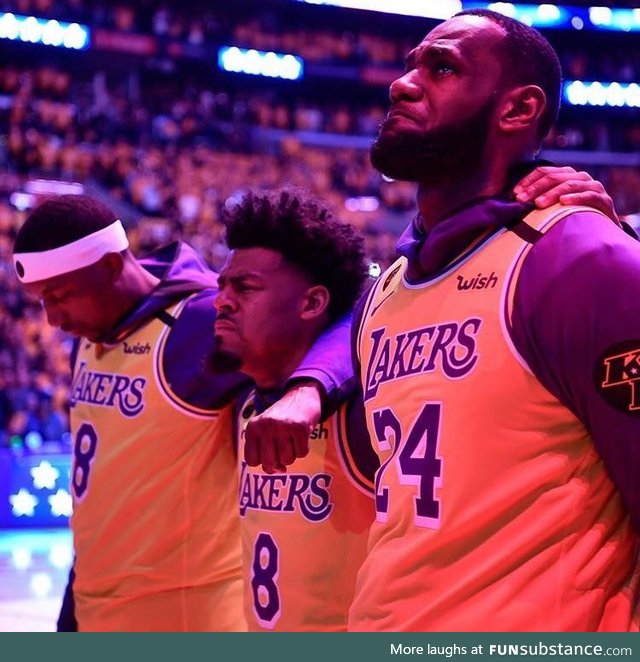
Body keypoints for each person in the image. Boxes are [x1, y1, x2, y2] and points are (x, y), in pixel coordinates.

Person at [349, 9, 640, 631]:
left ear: (516, 110)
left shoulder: (578, 259)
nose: (403, 84)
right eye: (410, 67)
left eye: (443, 67)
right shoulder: (386, 290)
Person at [11, 194, 353, 632]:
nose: (52, 318)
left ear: (112, 267)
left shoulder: (196, 320)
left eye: (61, 296)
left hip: (188, 617)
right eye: (42, 299)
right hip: (92, 601)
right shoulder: (92, 332)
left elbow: (349, 322)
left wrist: (310, 388)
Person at [210, 188, 378, 631]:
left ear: (312, 303)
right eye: (222, 286)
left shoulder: (366, 410)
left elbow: (373, 308)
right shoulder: (244, 405)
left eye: (245, 287)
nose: (222, 301)